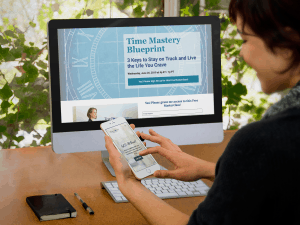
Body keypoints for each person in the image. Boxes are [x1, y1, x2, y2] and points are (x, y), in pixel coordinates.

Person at [104, 0, 300, 224]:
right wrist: (209, 169)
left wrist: (128, 184)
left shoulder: (264, 142)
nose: (243, 53)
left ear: (287, 40)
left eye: (245, 39)